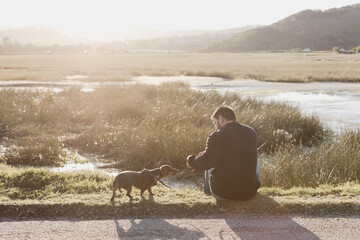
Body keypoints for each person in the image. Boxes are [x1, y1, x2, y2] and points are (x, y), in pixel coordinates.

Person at [186, 105, 260, 201]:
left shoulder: (217, 135)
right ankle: (247, 187)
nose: (215, 127)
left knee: (208, 157)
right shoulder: (251, 132)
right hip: (249, 194)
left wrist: (191, 160)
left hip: (223, 193)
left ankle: (206, 191)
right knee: (256, 161)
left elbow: (206, 162)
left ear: (221, 119)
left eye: (215, 123)